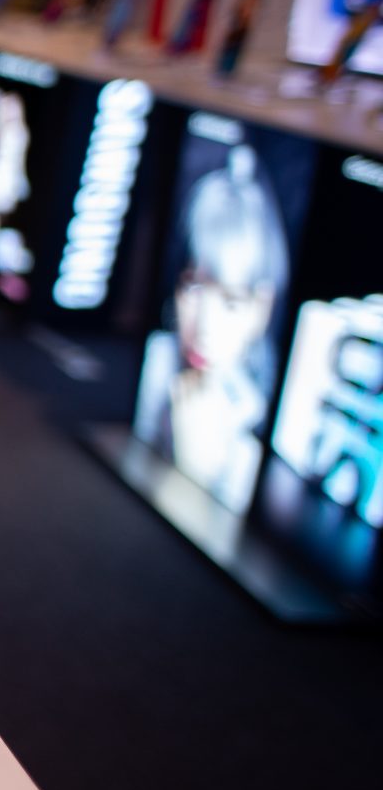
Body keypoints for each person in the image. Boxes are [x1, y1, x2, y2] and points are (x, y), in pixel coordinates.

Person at [133, 145, 290, 514]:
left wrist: (194, 471)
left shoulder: (269, 429)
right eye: (194, 288)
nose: (204, 326)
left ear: (261, 308)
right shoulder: (149, 364)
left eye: (230, 302)